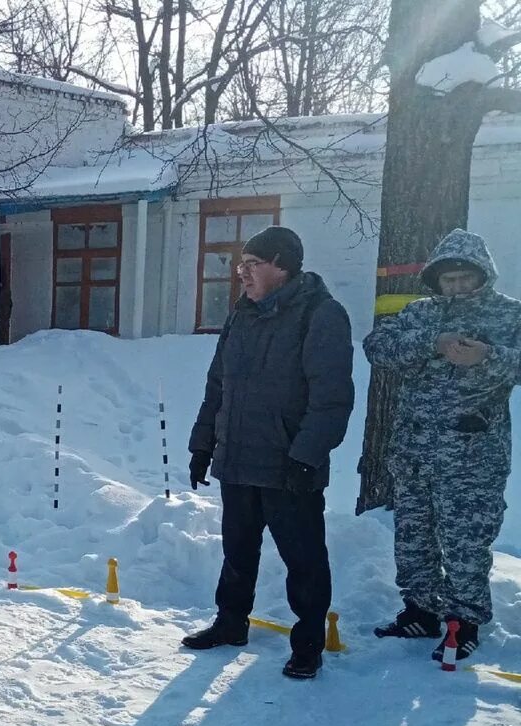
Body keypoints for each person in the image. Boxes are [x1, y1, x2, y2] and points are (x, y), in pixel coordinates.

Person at [185, 226, 354, 680]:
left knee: (304, 560)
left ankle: (308, 645)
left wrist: (307, 456)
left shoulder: (320, 315)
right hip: (238, 459)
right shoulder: (241, 315)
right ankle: (230, 623)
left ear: (282, 263)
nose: (241, 274)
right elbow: (218, 384)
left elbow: (332, 397)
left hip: (289, 466)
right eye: (240, 265)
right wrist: (202, 444)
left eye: (251, 264)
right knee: (238, 552)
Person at [364, 229, 521, 662]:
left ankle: (464, 622)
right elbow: (378, 347)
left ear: (482, 276)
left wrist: (487, 356)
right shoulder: (419, 314)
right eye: (448, 279)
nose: (456, 286)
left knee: (466, 542)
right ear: (436, 280)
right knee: (414, 538)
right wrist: (430, 344)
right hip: (413, 452)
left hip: (474, 459)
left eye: (464, 278)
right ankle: (421, 611)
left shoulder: (509, 315)